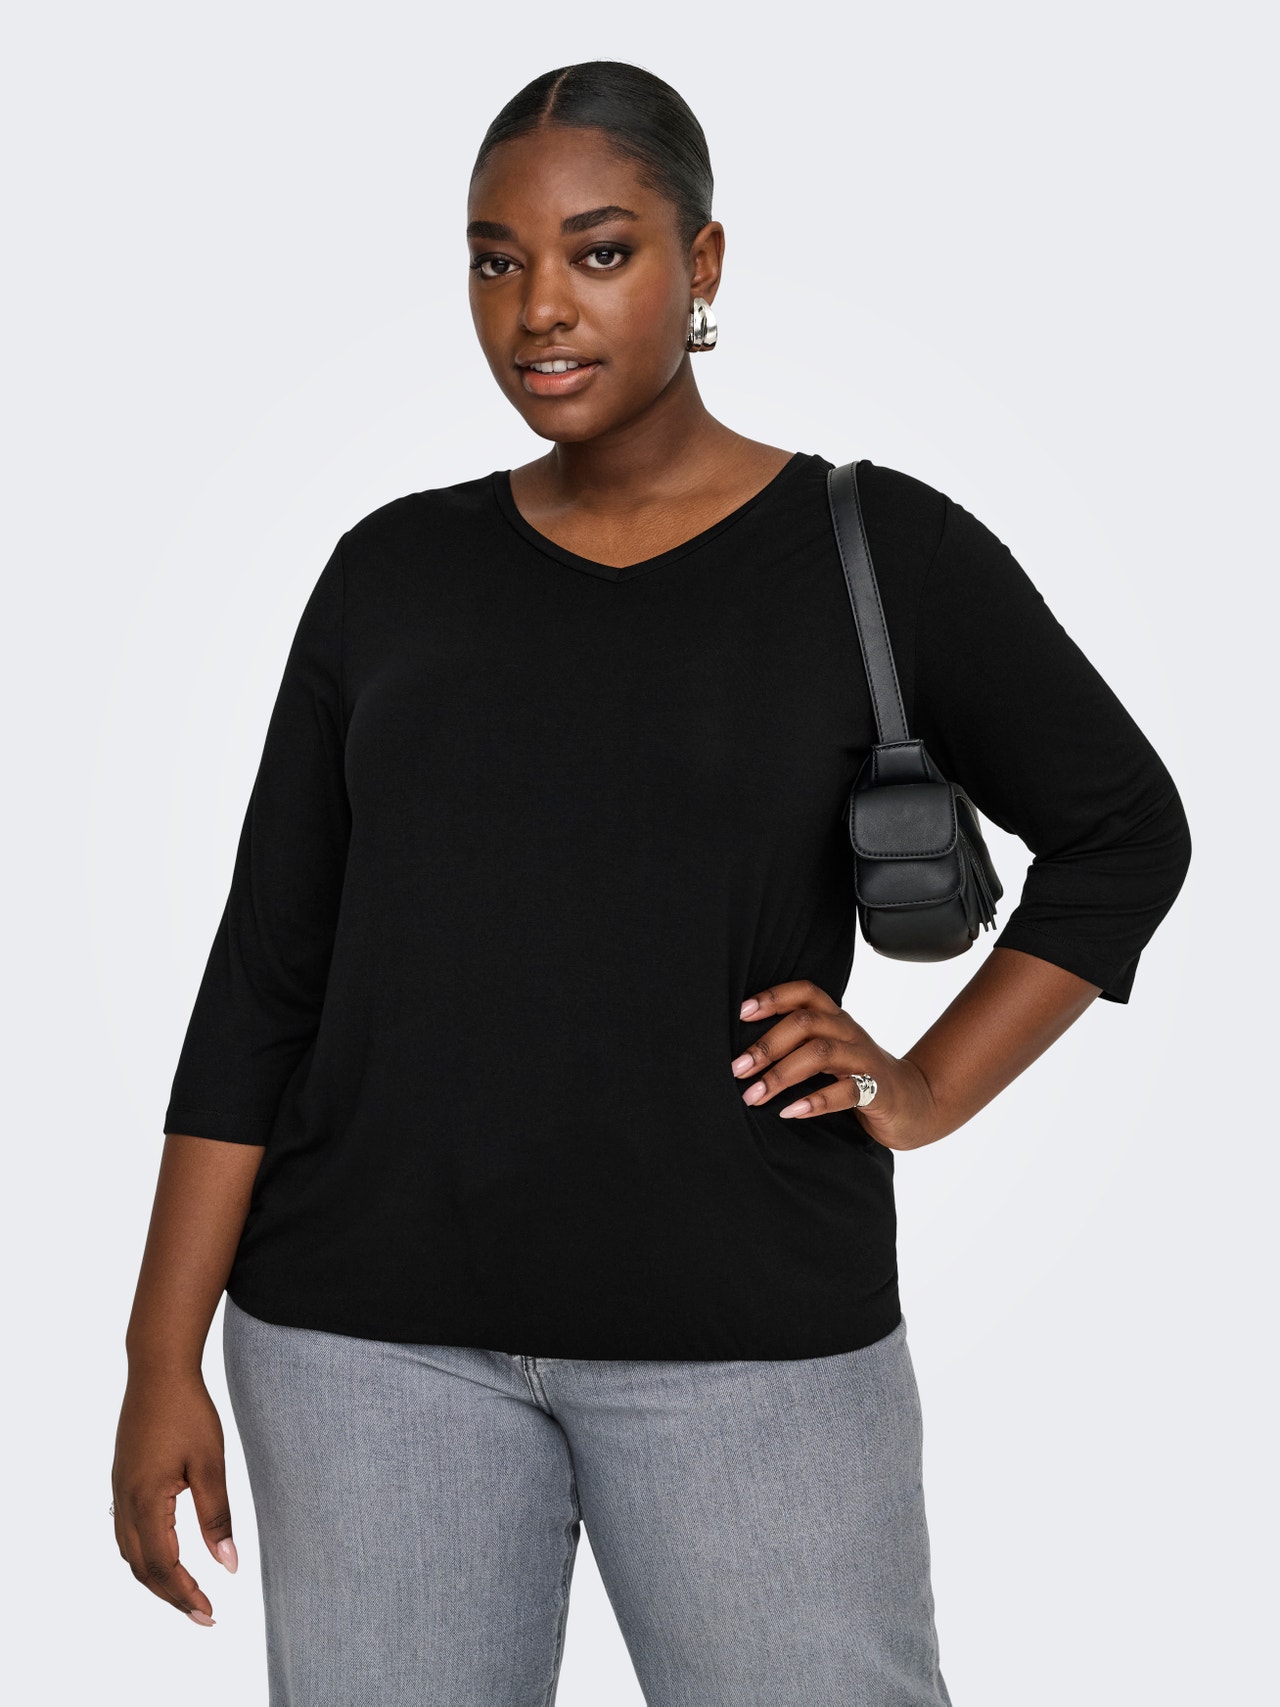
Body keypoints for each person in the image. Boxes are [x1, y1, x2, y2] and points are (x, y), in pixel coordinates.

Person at [112, 60, 1193, 1707]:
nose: (539, 308)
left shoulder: (877, 550)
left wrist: (927, 1088)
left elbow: (1124, 831)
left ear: (703, 265)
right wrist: (157, 1354)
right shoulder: (390, 574)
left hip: (751, 1340)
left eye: (600, 252)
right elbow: (265, 981)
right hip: (361, 1349)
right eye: (496, 261)